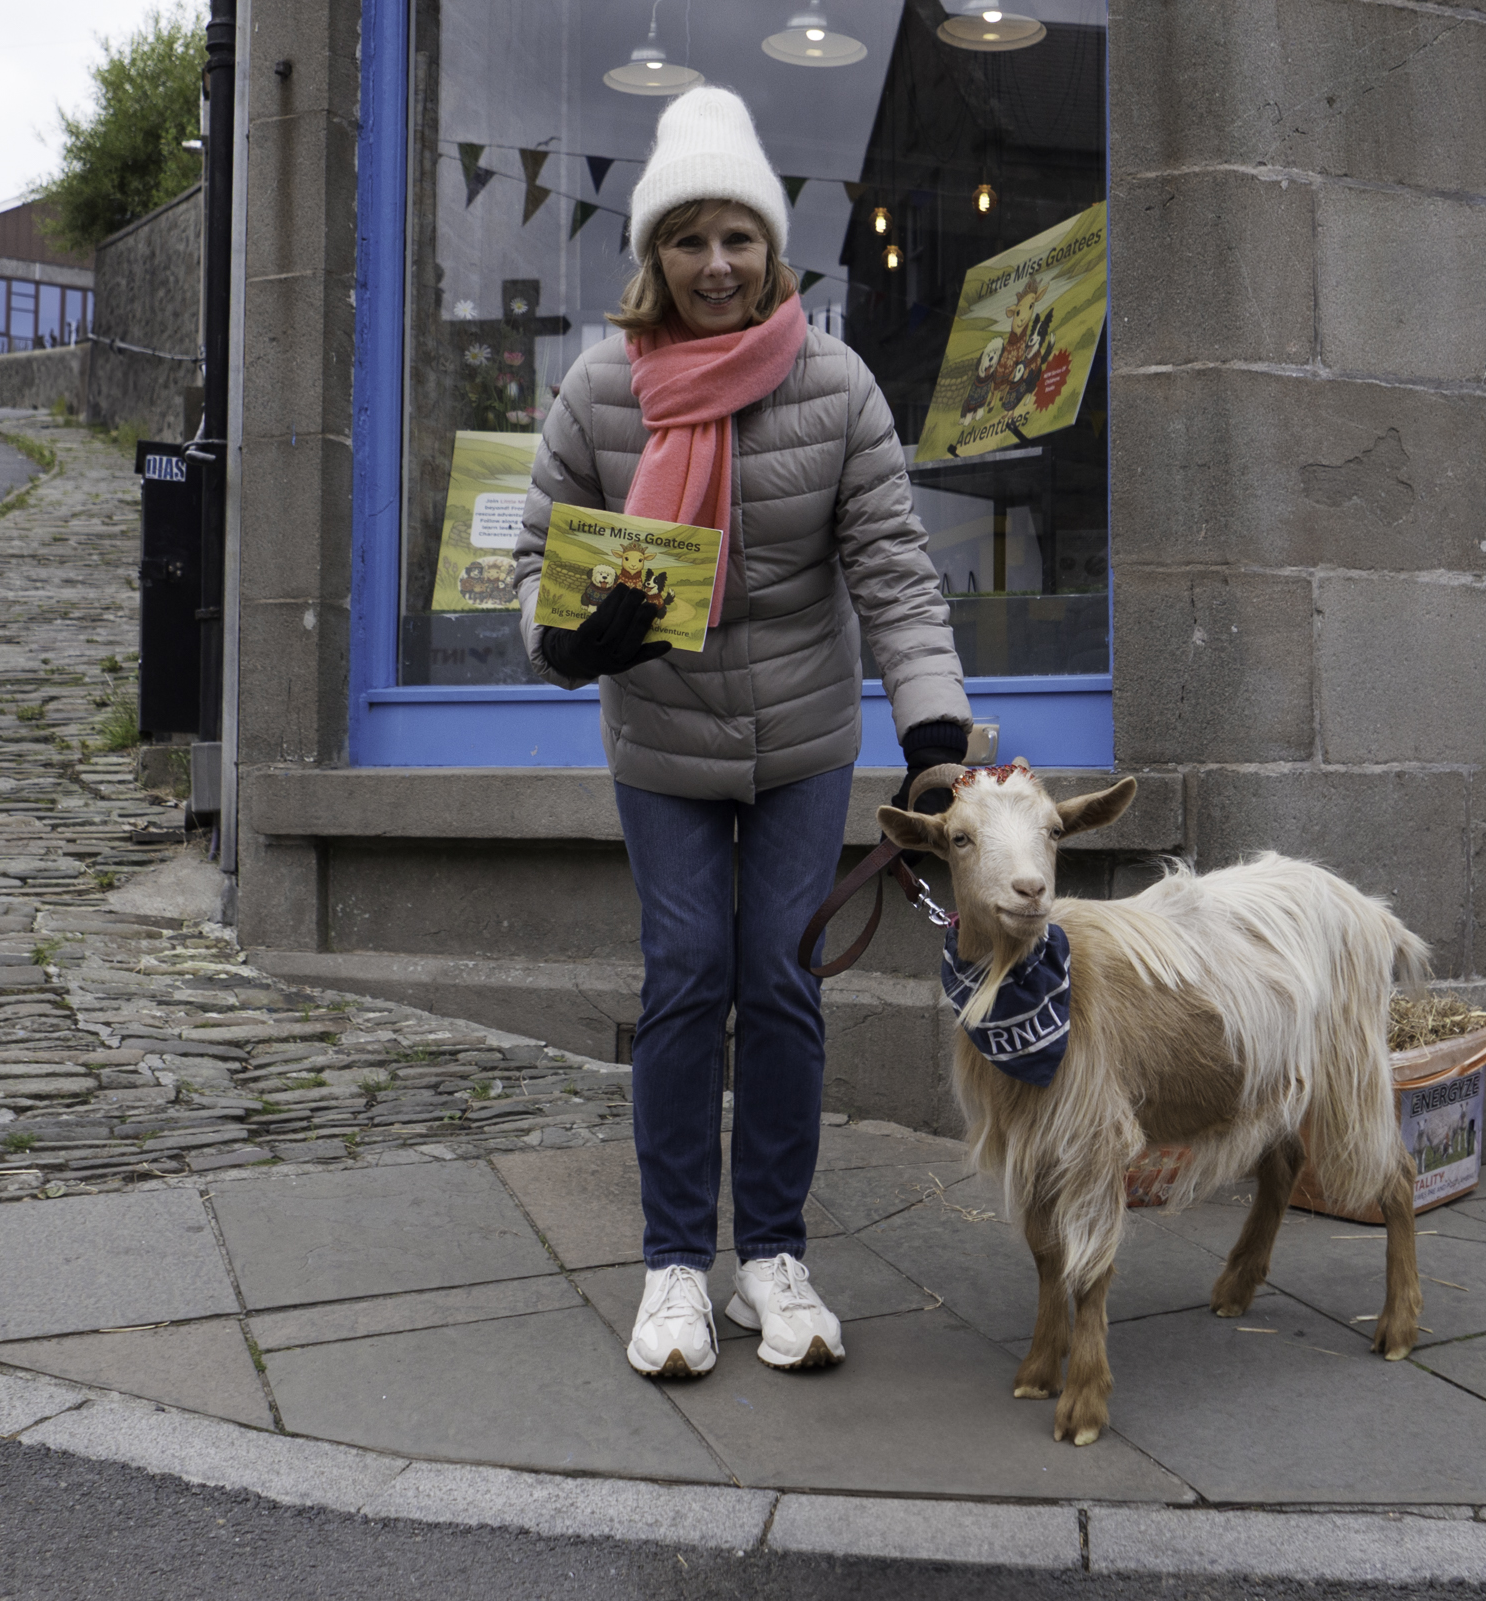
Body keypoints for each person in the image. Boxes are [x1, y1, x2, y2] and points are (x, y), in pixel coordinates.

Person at [514, 86, 970, 1379]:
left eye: (739, 239)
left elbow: (892, 568)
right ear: (652, 257)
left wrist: (932, 727)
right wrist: (569, 639)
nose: (716, 265)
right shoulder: (602, 390)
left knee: (777, 976)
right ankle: (672, 1265)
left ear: (775, 251)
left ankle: (771, 1251)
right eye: (688, 240)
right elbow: (536, 572)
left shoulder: (835, 383)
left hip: (805, 740)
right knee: (684, 972)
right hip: (662, 737)